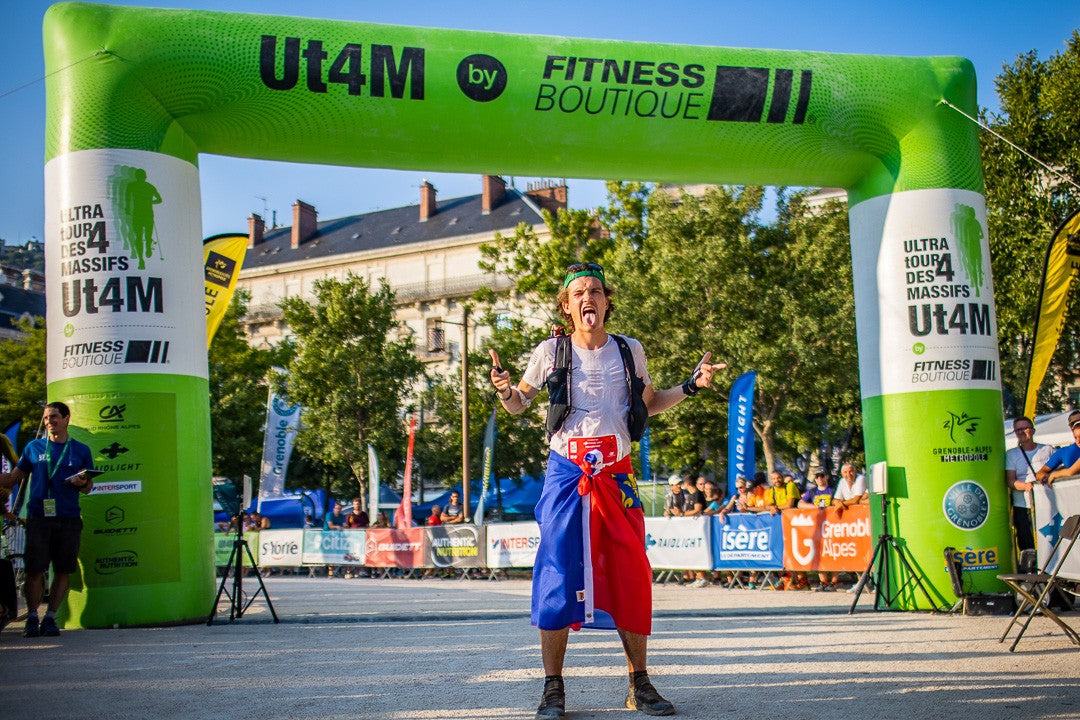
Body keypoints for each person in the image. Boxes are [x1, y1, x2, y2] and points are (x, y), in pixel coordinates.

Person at [489, 261, 724, 718]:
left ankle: (640, 683)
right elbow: (519, 405)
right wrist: (503, 390)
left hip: (616, 473)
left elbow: (650, 404)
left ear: (606, 301)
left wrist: (691, 386)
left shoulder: (629, 350)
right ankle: (552, 688)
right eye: (578, 293)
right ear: (567, 305)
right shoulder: (549, 351)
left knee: (631, 572)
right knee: (557, 573)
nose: (587, 298)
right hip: (565, 474)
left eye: (595, 290)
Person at [0, 403, 95, 637]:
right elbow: (14, 478)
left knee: (63, 569)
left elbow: (89, 488)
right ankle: (32, 616)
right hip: (38, 518)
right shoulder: (33, 447)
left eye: (53, 417)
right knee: (34, 569)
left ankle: (50, 617)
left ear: (66, 419)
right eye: (45, 418)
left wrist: (81, 483)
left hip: (68, 518)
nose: (49, 421)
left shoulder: (80, 450)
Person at [1036, 411, 1080, 485]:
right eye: (1073, 424)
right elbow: (1040, 474)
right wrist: (1046, 476)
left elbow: (1070, 472)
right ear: (1070, 427)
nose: (1078, 440)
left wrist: (1055, 474)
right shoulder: (1063, 452)